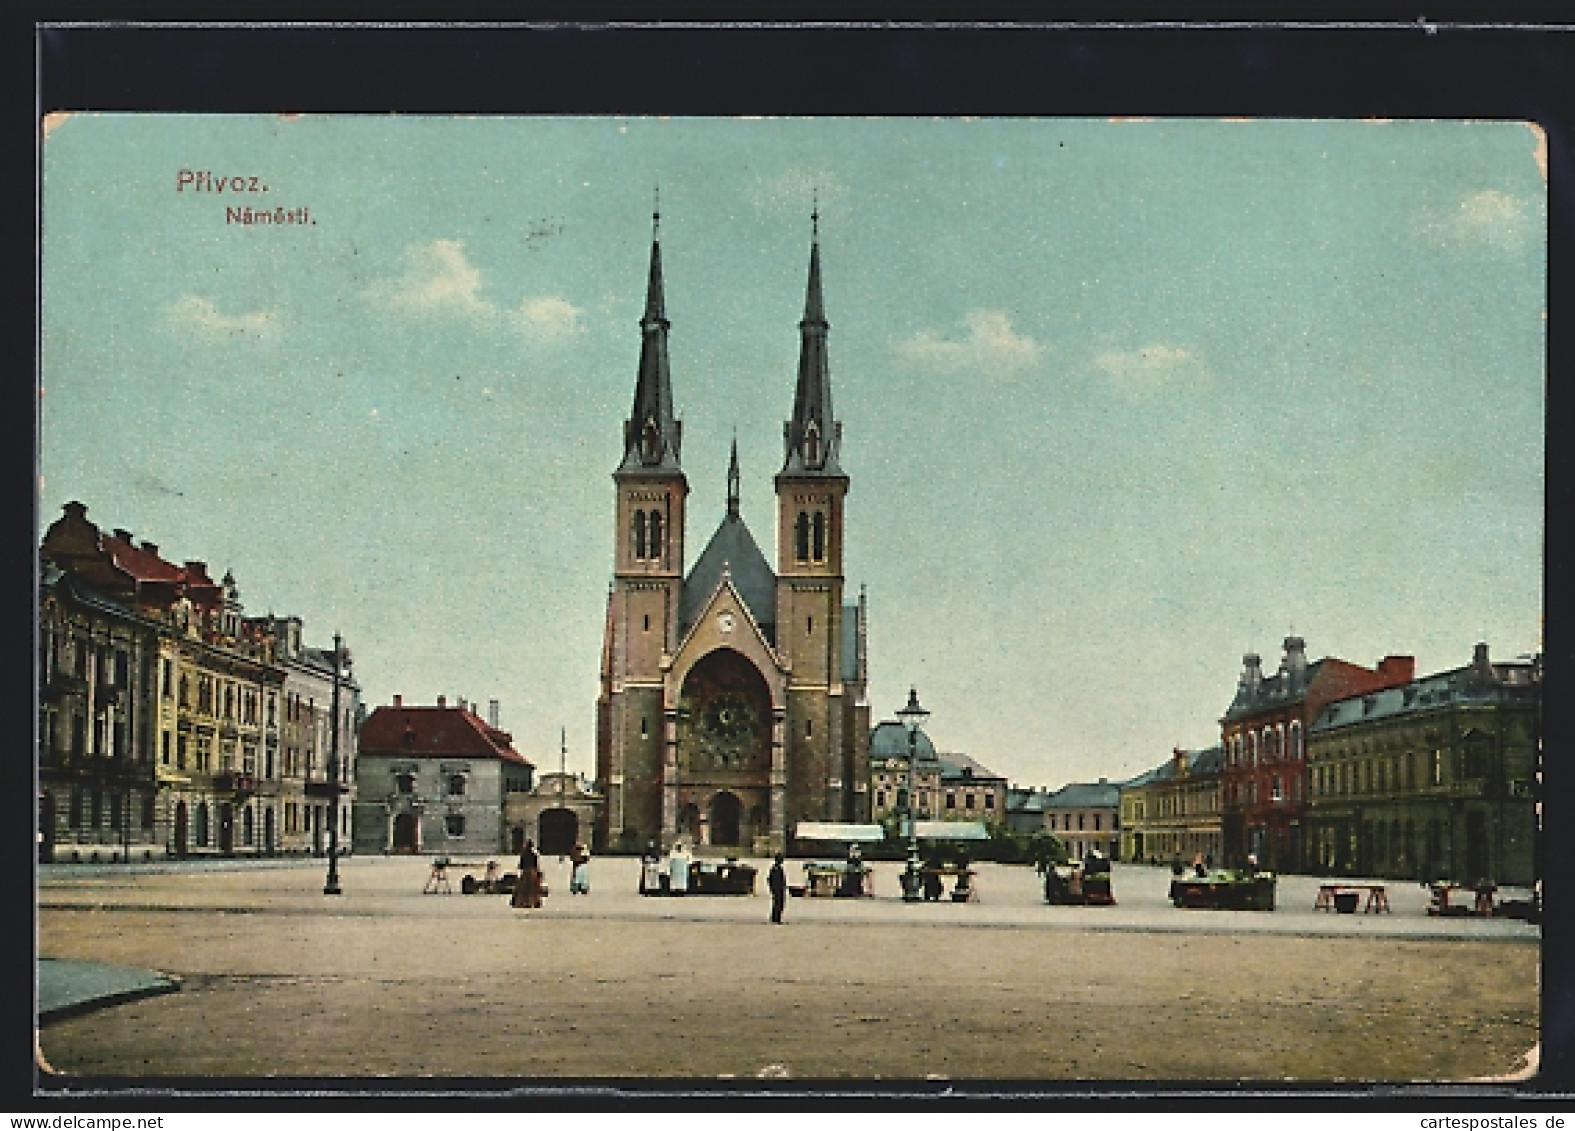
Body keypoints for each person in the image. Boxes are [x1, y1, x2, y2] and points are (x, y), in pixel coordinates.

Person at [512, 839, 542, 909]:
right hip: (532, 872)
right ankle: (534, 901)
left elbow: (521, 865)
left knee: (523, 889)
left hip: (525, 872)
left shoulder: (523, 854)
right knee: (533, 889)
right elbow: (536, 865)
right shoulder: (534, 854)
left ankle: (524, 902)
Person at [767, 852, 788, 923]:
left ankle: (776, 917)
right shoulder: (776, 869)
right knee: (778, 903)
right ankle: (776, 918)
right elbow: (771, 879)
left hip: (779, 888)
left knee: (778, 903)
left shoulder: (777, 868)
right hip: (778, 889)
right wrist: (773, 888)